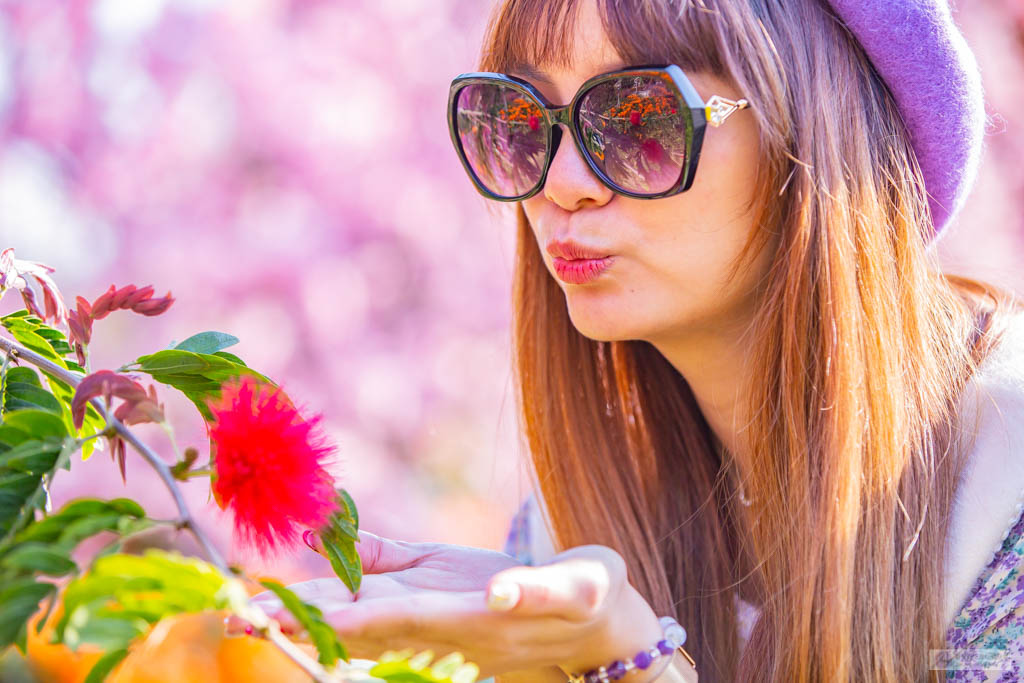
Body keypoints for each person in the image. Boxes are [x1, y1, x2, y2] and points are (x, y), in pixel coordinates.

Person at [244, 0, 1024, 680]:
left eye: (639, 117)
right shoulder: (559, 550)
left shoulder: (1006, 494)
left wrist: (632, 668)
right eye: (518, 122)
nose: (563, 183)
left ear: (817, 133)